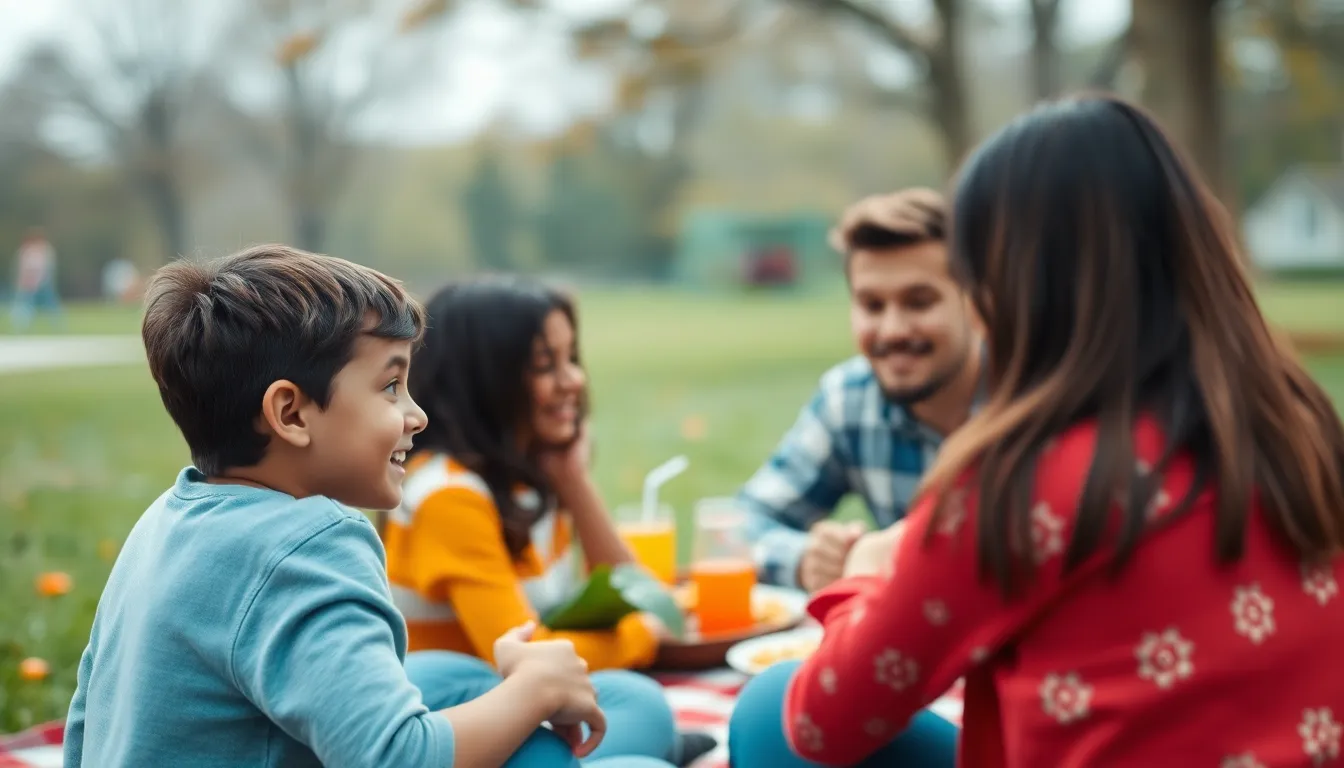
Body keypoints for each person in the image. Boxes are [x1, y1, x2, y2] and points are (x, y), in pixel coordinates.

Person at [776, 95, 1344, 766]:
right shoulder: (1295, 419)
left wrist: (864, 577)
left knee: (766, 712)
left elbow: (822, 724)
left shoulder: (1015, 486)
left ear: (1009, 285)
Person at [64, 245, 669, 768]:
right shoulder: (312, 544)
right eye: (389, 386)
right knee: (628, 749)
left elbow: (85, 728)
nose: (417, 415)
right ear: (291, 414)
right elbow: (396, 757)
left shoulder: (165, 521)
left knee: (438, 681)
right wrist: (534, 689)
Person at [384, 276, 710, 767]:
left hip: (516, 702)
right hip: (463, 719)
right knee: (641, 709)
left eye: (570, 357)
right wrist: (641, 634)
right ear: (486, 379)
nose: (574, 380)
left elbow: (637, 592)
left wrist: (572, 480)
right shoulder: (447, 497)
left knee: (642, 703)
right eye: (544, 365)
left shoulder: (524, 477)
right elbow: (530, 657)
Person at [737, 189, 984, 593]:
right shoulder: (850, 400)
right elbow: (743, 523)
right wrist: (805, 560)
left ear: (972, 300)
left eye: (919, 303)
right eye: (872, 306)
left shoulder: (1033, 396)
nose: (892, 330)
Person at [11, 228, 64, 330]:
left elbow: (42, 269)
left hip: (40, 284)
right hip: (30, 285)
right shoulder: (28, 252)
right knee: (26, 305)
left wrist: (37, 282)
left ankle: (57, 324)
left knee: (49, 304)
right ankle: (22, 325)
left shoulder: (43, 251)